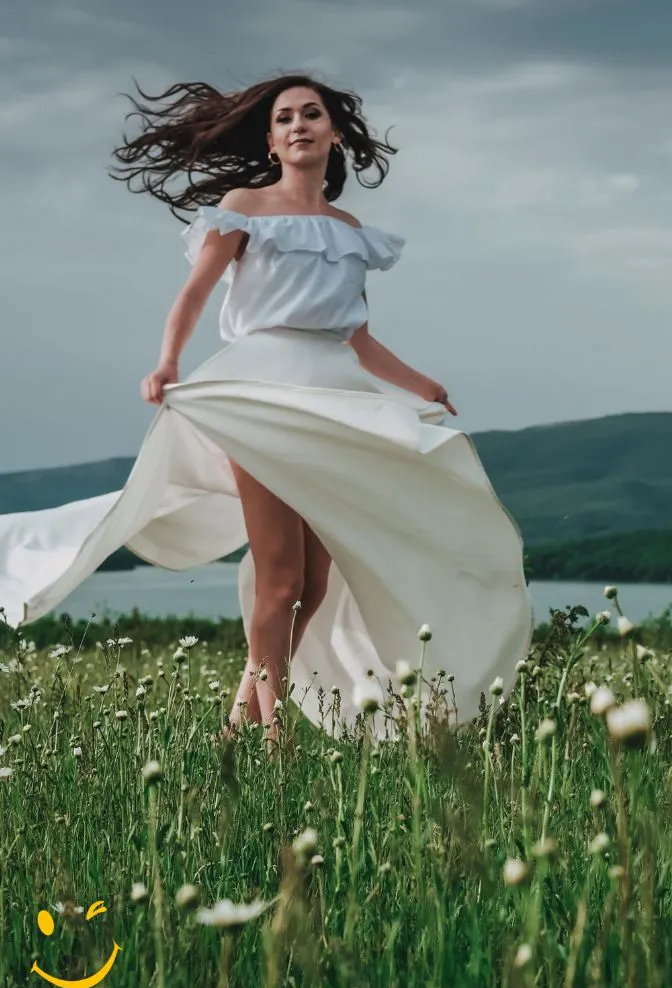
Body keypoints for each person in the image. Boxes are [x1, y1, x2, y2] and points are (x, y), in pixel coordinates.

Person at [0, 73, 533, 754]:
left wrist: (420, 382)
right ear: (271, 137)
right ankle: (274, 727)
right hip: (260, 397)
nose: (298, 125)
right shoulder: (243, 207)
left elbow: (355, 335)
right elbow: (194, 294)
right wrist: (167, 362)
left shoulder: (348, 230)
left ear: (333, 133)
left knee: (313, 580)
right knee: (280, 579)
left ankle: (240, 719)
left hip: (330, 402)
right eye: (284, 118)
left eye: (312, 114)